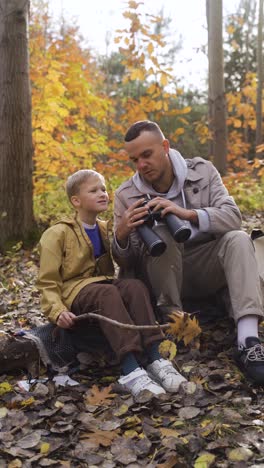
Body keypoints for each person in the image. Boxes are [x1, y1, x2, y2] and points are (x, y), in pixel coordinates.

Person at [112, 120, 264, 385]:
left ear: (165, 147)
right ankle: (176, 326)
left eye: (147, 155)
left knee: (238, 239)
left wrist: (186, 214)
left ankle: (248, 340)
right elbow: (124, 263)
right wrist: (122, 234)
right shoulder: (126, 194)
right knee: (162, 236)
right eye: (134, 159)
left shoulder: (202, 172)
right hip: (162, 279)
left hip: (204, 265)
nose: (141, 165)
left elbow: (233, 217)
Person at [37, 169, 187, 398]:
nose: (103, 194)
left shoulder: (107, 228)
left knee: (134, 286)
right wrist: (56, 311)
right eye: (94, 190)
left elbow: (124, 257)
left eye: (104, 189)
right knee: (106, 293)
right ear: (76, 201)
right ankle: (130, 369)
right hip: (74, 292)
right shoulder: (57, 233)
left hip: (103, 286)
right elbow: (47, 282)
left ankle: (157, 358)